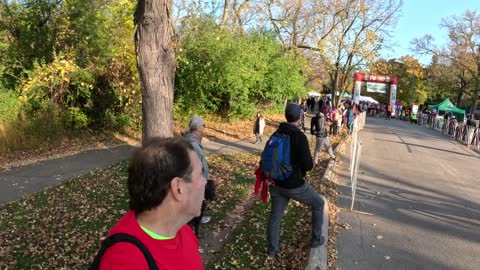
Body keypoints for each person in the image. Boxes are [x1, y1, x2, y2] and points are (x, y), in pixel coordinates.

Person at [96, 137, 205, 269]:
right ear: (178, 188)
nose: (205, 181)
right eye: (200, 174)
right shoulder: (124, 261)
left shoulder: (183, 230)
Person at [266, 103, 326, 257]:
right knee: (319, 203)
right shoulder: (299, 137)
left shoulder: (276, 133)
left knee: (275, 216)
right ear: (299, 117)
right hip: (294, 185)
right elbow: (308, 165)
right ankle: (316, 238)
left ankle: (272, 250)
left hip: (275, 183)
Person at [182, 116, 214, 235]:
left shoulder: (194, 140)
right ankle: (192, 228)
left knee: (198, 202)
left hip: (196, 179)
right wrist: (201, 179)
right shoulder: (193, 143)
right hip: (195, 180)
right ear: (197, 127)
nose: (204, 127)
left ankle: (195, 222)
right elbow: (195, 164)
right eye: (203, 125)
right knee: (195, 203)